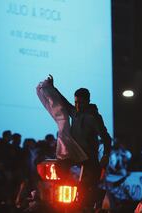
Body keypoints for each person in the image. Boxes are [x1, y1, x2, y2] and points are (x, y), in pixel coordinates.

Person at [40, 75, 112, 210]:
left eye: (81, 103)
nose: (78, 106)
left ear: (88, 101)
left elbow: (106, 137)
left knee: (87, 192)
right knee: (60, 165)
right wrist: (52, 88)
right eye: (76, 102)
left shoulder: (94, 117)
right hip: (76, 154)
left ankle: (92, 203)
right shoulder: (74, 111)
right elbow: (63, 102)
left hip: (89, 158)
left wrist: (106, 155)